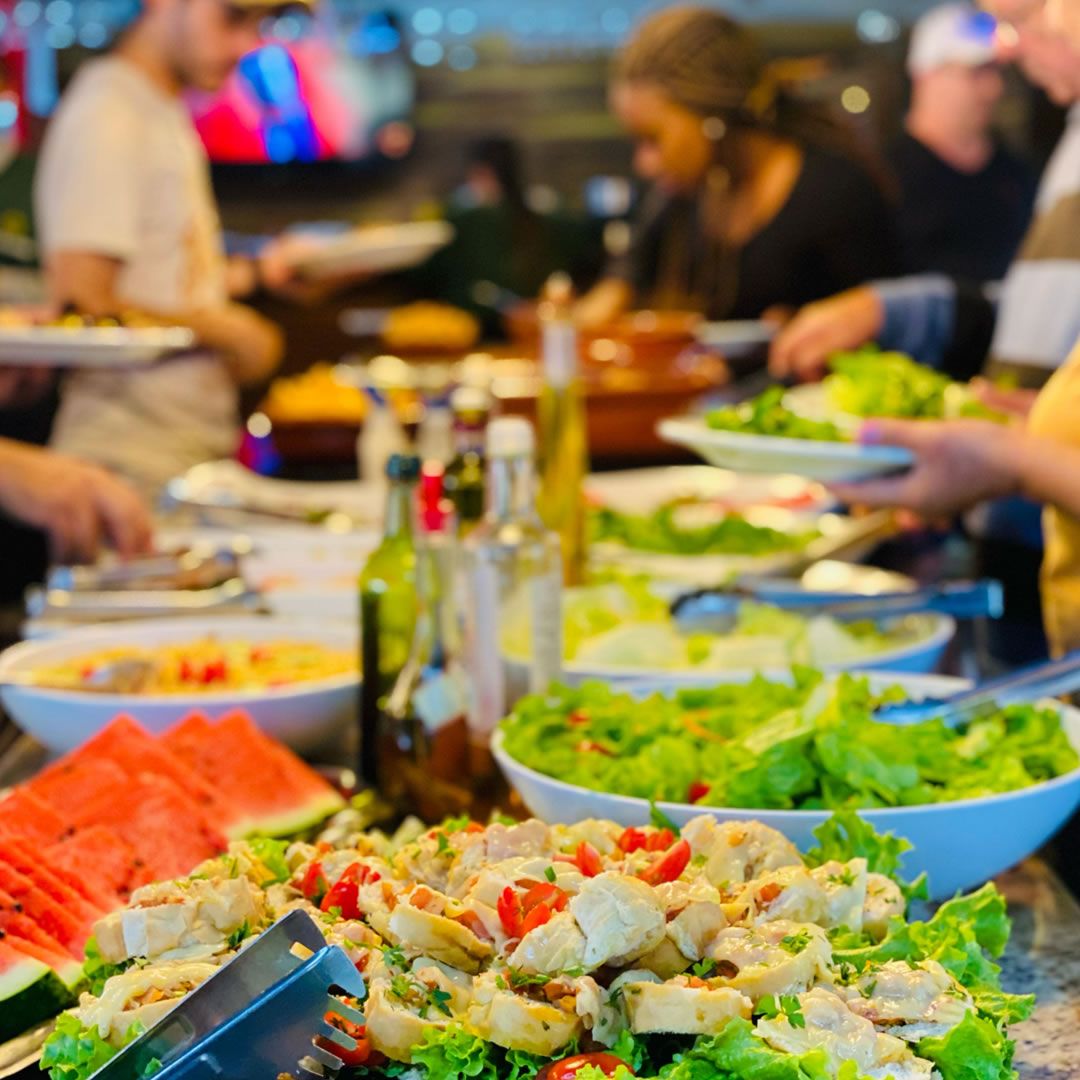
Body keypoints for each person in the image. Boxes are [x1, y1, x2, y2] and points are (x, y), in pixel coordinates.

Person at [827, 0, 1080, 663]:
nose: (1021, 48)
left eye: (1025, 15)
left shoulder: (1025, 164)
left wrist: (1013, 459)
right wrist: (1031, 428)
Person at [33, 0, 291, 499]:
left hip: (170, 459)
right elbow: (82, 302)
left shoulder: (156, 105)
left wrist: (258, 276)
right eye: (233, 16)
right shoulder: (108, 110)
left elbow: (163, 275)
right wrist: (228, 331)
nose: (246, 45)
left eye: (259, 24)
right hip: (125, 465)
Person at [576, 5, 900, 329]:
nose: (644, 164)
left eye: (653, 139)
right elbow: (623, 279)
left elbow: (888, 329)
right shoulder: (687, 192)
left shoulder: (835, 192)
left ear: (712, 120)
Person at [890, 3, 1035, 280]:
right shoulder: (885, 178)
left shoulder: (1017, 174)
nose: (995, 88)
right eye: (976, 71)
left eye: (997, 71)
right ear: (926, 75)